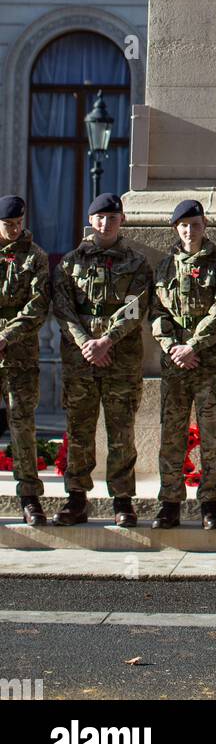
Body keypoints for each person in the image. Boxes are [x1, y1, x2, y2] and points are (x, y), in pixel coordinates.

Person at [52, 193, 152, 527]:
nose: (106, 223)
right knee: (79, 430)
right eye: (100, 217)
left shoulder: (137, 263)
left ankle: (122, 500)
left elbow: (136, 307)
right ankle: (76, 499)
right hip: (81, 362)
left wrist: (106, 342)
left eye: (112, 217)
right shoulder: (70, 263)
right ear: (90, 221)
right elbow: (63, 309)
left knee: (121, 431)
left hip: (119, 361)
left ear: (121, 221)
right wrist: (86, 344)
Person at [152, 200, 216, 530]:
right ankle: (170, 502)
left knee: (212, 435)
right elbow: (156, 313)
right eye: (184, 225)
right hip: (175, 364)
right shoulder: (164, 266)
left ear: (205, 226)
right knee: (172, 434)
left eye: (196, 224)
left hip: (208, 361)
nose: (190, 230)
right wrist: (174, 347)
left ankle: (210, 503)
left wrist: (193, 345)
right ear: (176, 228)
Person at [0, 195, 51, 526]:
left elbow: (37, 305)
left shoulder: (35, 257)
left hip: (19, 355)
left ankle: (29, 497)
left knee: (22, 425)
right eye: (8, 225)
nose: (15, 229)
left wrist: (6, 336)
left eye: (18, 223)